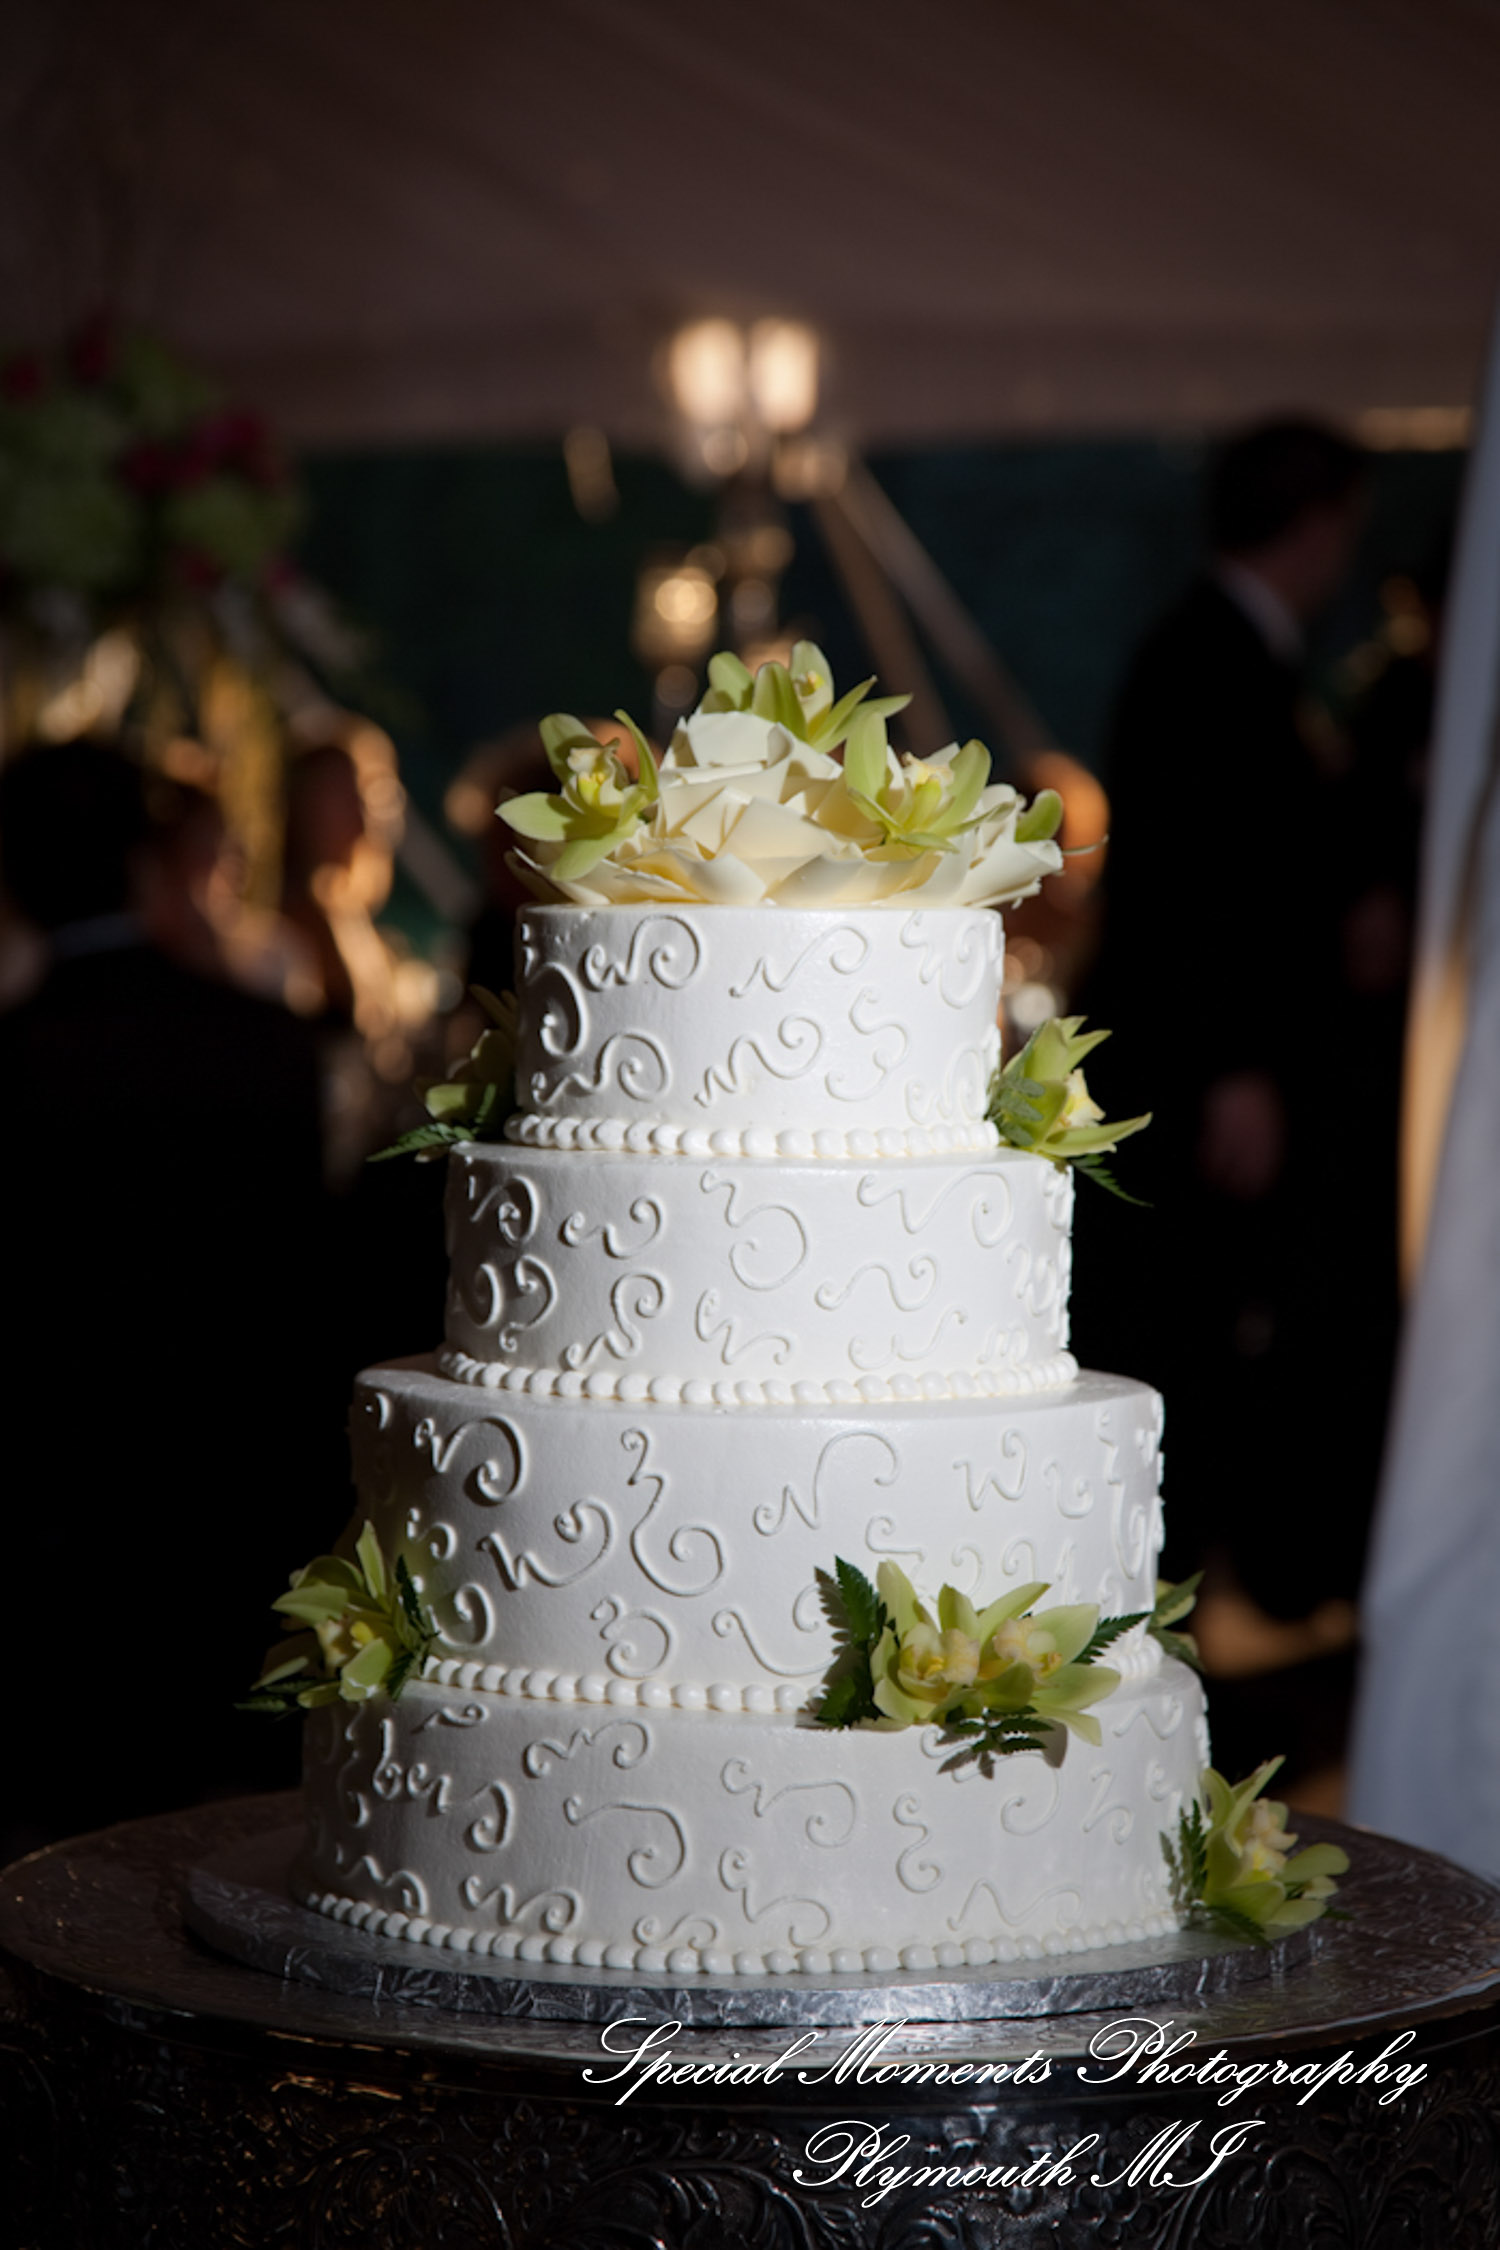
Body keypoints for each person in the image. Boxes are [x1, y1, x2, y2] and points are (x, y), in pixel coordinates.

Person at [0, 739, 341, 1857]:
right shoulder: (266, 1046)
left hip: (47, 1519)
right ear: (154, 868)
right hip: (228, 1500)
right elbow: (304, 1285)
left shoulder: (21, 1058)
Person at [1075, 419, 1367, 1642]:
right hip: (1197, 1064)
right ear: (1316, 526)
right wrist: (1239, 1064)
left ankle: (1186, 1587)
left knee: (1197, 1321)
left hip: (1204, 1057)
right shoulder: (1210, 662)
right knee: (1181, 1323)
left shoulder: (1217, 651)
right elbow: (1196, 889)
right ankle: (1162, 1597)